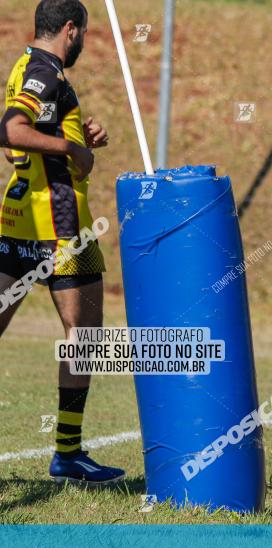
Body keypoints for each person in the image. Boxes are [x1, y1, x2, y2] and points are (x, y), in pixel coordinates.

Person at [0, 0, 124, 485]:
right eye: (84, 34)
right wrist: (72, 148)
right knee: (85, 335)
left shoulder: (22, 67)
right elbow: (11, 130)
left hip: (16, 221)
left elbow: (19, 141)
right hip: (62, 226)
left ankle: (69, 455)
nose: (83, 43)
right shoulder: (46, 70)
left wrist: (80, 133)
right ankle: (68, 455)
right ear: (70, 29)